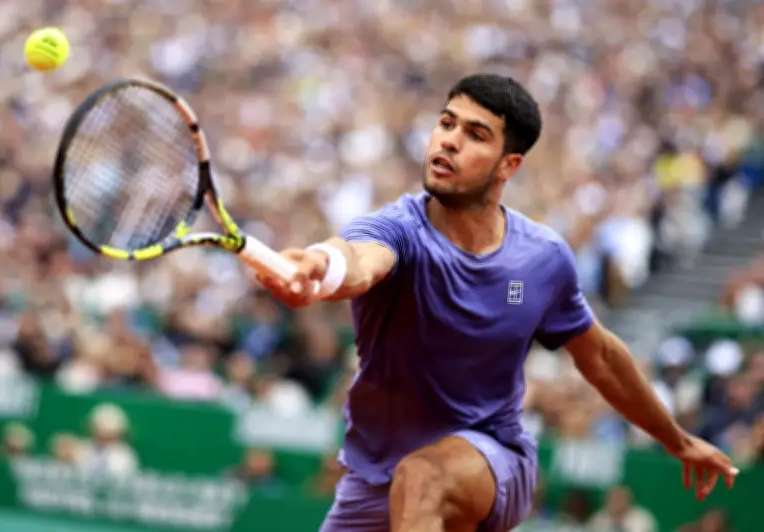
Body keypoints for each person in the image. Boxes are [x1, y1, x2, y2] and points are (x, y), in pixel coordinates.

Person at [255, 73, 738, 532]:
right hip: (376, 476)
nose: (449, 141)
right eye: (446, 124)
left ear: (509, 165)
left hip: (493, 458)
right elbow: (356, 260)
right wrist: (318, 264)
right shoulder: (395, 229)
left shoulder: (542, 258)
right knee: (413, 480)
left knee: (422, 478)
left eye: (475, 134)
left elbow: (602, 358)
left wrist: (678, 440)